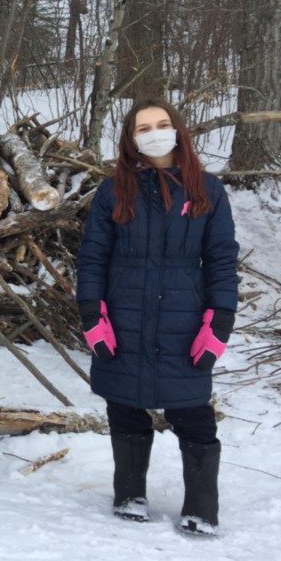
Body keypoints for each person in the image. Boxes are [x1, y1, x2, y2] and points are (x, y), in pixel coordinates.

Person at [77, 98, 239, 536]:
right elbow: (92, 257)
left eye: (162, 124)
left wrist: (220, 319)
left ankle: (202, 506)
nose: (154, 133)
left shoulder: (206, 188)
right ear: (132, 138)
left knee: (193, 413)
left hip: (183, 318)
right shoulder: (113, 190)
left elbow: (222, 258)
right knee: (125, 405)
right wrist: (92, 313)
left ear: (177, 129)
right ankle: (130, 492)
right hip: (124, 313)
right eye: (143, 127)